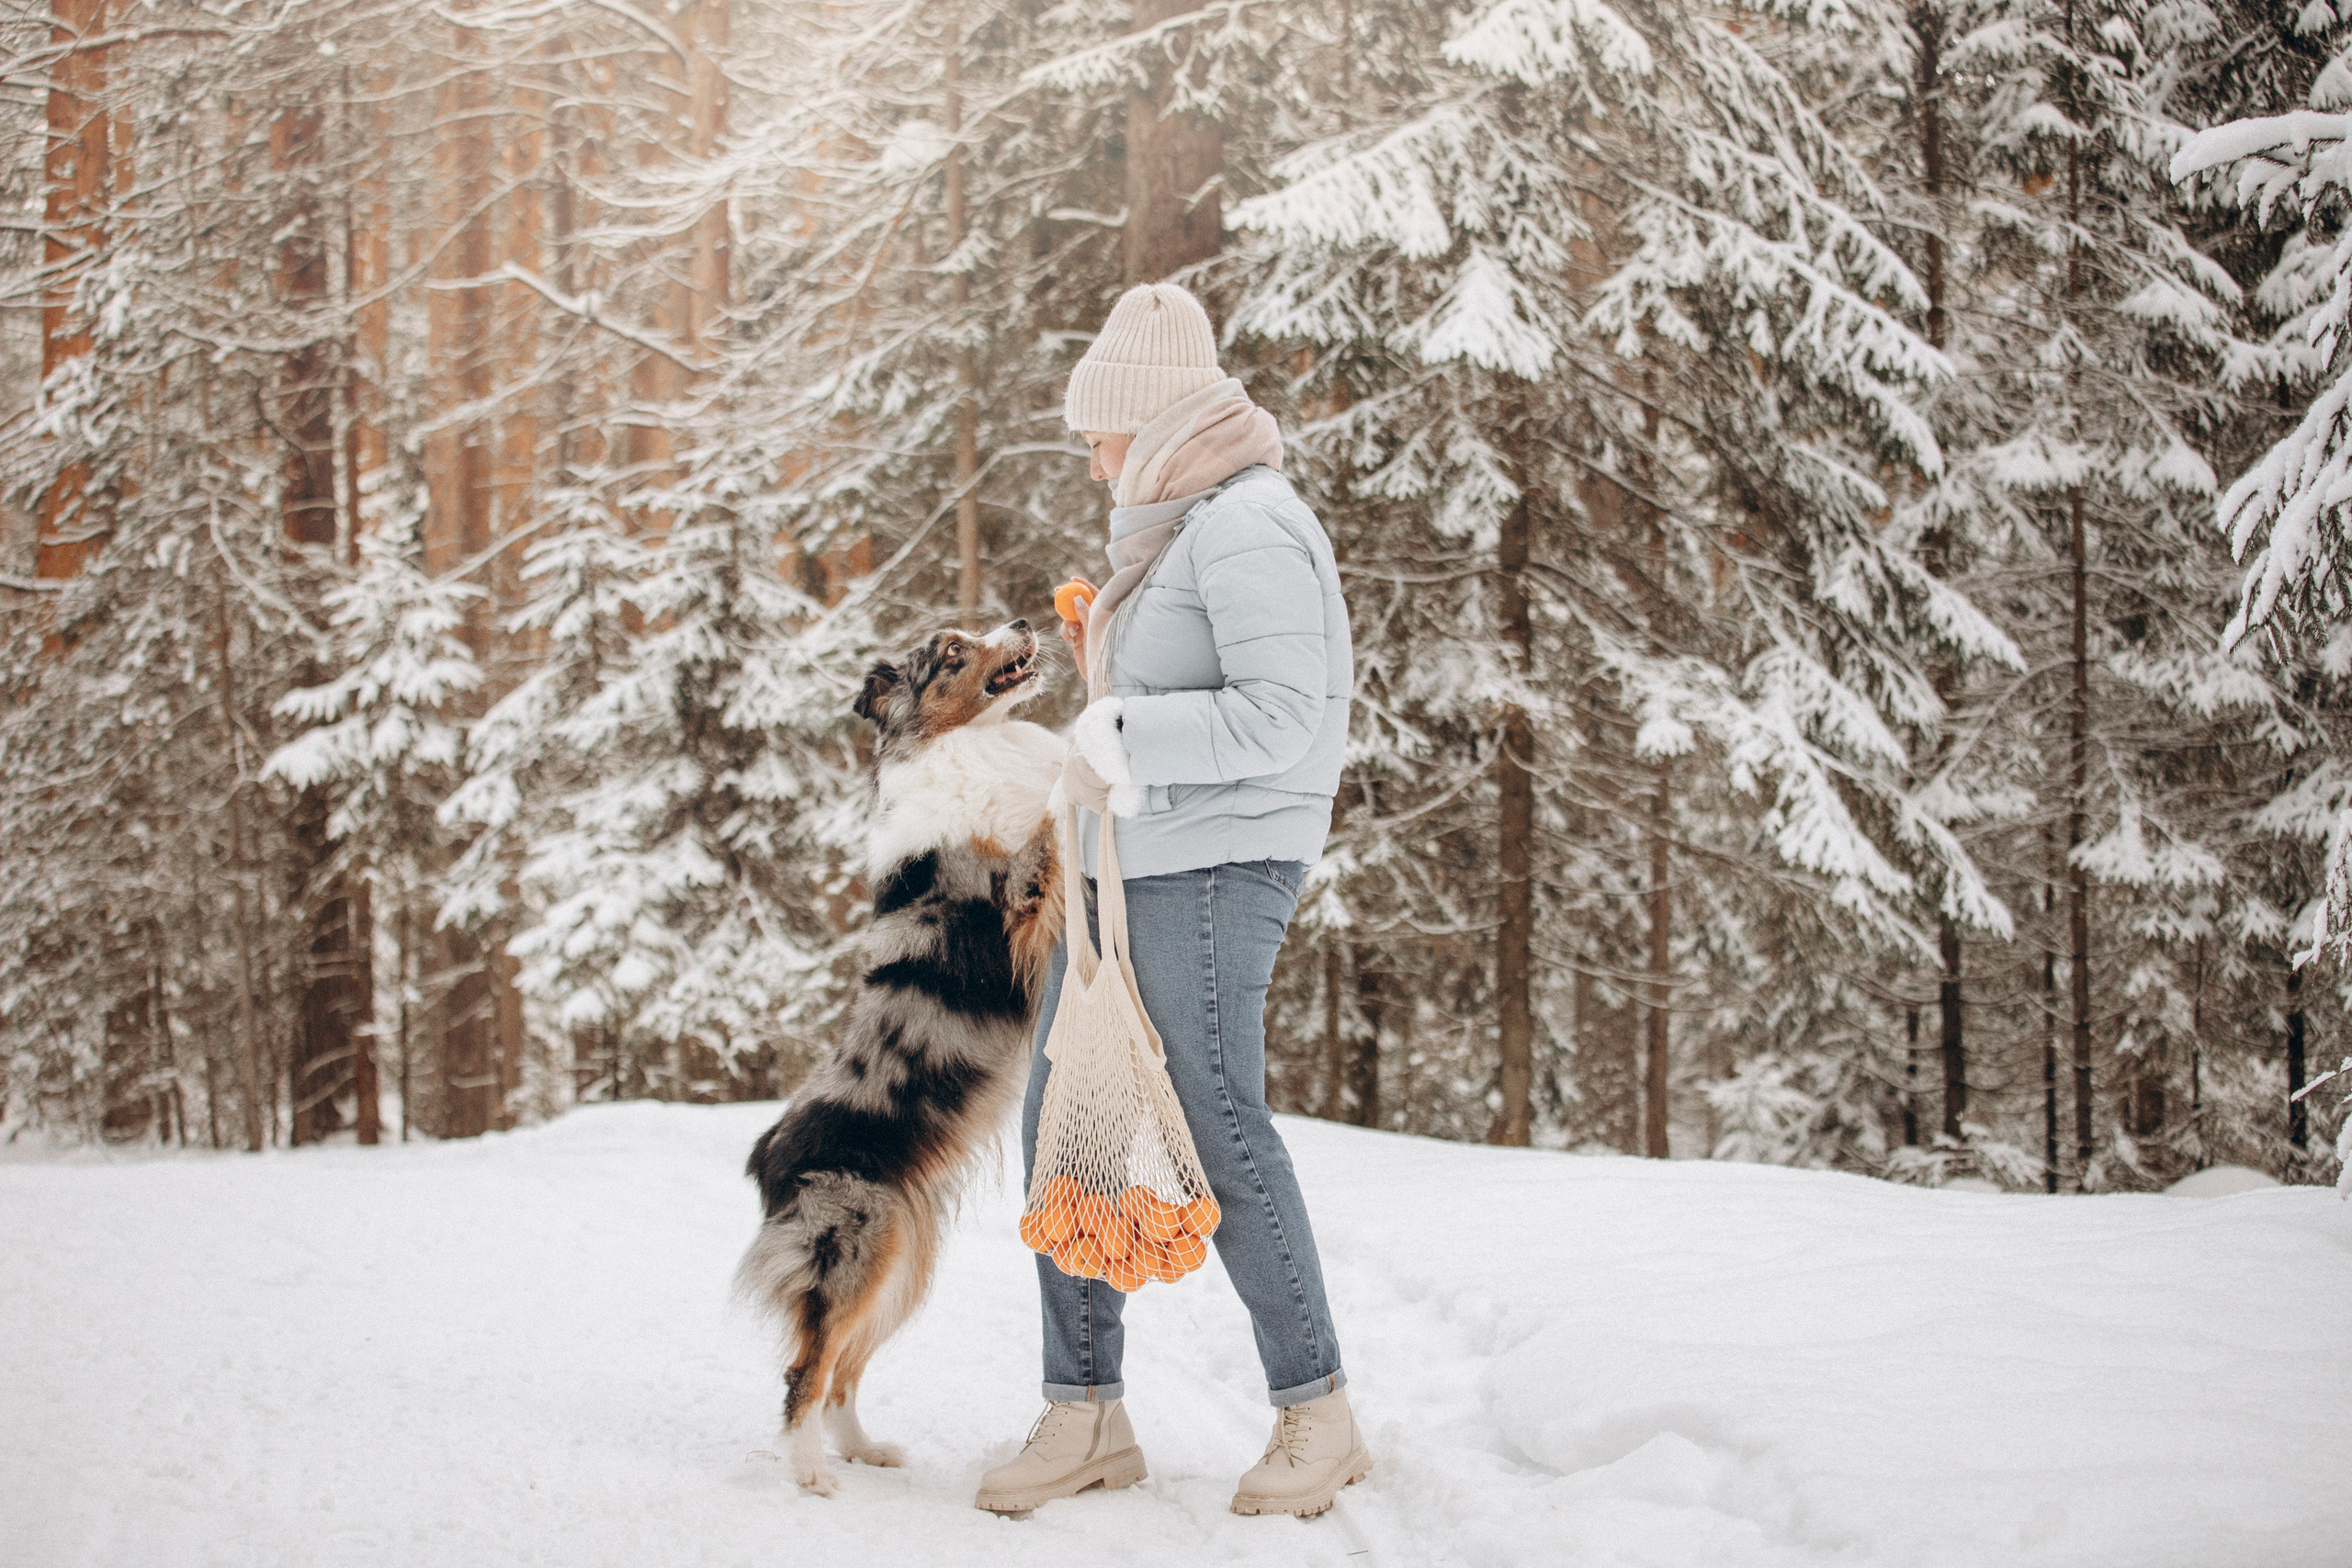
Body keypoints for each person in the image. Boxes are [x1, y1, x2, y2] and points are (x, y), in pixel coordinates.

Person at [973, 283, 1367, 1519]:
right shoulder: (1189, 534)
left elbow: (1278, 716)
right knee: (1067, 1125)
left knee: (1218, 1118)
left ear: (1149, 425)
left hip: (1219, 866)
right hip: (1136, 869)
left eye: (1101, 436)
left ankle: (1319, 1410)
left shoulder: (1250, 526)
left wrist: (1118, 721)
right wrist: (1117, 665)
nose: (1092, 460)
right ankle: (1084, 1410)